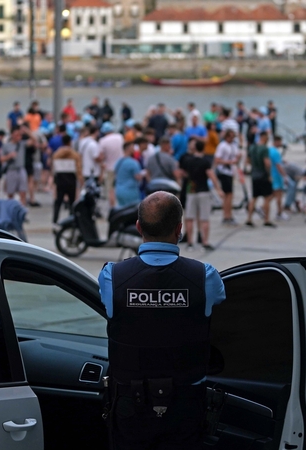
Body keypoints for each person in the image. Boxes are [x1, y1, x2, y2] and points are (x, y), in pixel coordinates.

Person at [98, 191, 226, 450]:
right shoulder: (205, 276)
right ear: (179, 229)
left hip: (130, 405)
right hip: (186, 406)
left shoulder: (113, 276)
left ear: (138, 227)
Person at [181, 140, 222, 251]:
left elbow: (183, 173)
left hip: (191, 191)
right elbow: (211, 175)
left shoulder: (188, 160)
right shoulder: (205, 161)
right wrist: (218, 189)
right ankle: (205, 242)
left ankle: (190, 242)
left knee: (189, 217)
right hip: (203, 190)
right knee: (204, 218)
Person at [245, 131, 274, 228]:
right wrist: (269, 174)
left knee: (254, 197)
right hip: (263, 175)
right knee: (267, 198)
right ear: (264, 137)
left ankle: (249, 218)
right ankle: (266, 219)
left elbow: (247, 161)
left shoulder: (252, 147)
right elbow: (267, 162)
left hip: (254, 175)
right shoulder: (264, 149)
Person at [51, 134, 82, 224]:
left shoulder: (56, 154)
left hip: (60, 180)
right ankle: (72, 219)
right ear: (70, 142)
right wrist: (81, 180)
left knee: (58, 202)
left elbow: (54, 169)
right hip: (71, 180)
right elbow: (78, 169)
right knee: (72, 202)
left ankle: (55, 220)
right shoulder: (75, 155)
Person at [214, 127, 241, 225]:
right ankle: (226, 215)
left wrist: (238, 158)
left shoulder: (233, 146)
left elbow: (236, 157)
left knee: (230, 195)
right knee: (227, 195)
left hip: (230, 173)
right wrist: (229, 162)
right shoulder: (222, 146)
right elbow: (217, 160)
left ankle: (229, 214)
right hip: (224, 172)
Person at [99, 122, 125, 209]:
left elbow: (101, 157)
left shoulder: (103, 141)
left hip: (109, 168)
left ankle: (112, 208)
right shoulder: (120, 137)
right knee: (121, 186)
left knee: (110, 189)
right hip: (121, 166)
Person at [1, 127, 28, 205]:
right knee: (10, 192)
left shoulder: (22, 144)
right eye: (16, 135)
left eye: (19, 135)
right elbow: (1, 159)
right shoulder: (6, 145)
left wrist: (26, 131)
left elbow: (34, 140)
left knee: (23, 191)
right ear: (12, 135)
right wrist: (9, 156)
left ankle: (22, 209)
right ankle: (10, 209)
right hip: (11, 170)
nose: (18, 137)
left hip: (21, 169)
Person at [114, 141, 144, 207]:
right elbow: (138, 177)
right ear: (129, 149)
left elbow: (115, 173)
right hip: (130, 191)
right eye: (133, 147)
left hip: (119, 190)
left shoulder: (118, 161)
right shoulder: (133, 163)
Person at [269, 135, 289, 221]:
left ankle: (262, 207)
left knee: (274, 194)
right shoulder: (276, 152)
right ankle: (279, 213)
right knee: (279, 195)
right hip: (277, 175)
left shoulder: (269, 150)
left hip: (271, 174)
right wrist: (284, 175)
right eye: (280, 142)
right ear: (277, 141)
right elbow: (278, 165)